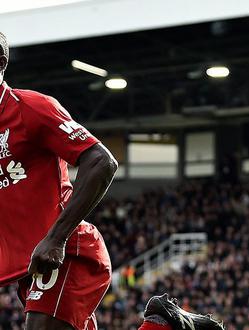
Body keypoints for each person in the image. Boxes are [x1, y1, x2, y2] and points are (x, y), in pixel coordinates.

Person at [0, 32, 224, 330]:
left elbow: (101, 161)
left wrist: (56, 237)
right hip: (30, 266)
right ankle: (165, 326)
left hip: (67, 251)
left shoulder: (30, 108)